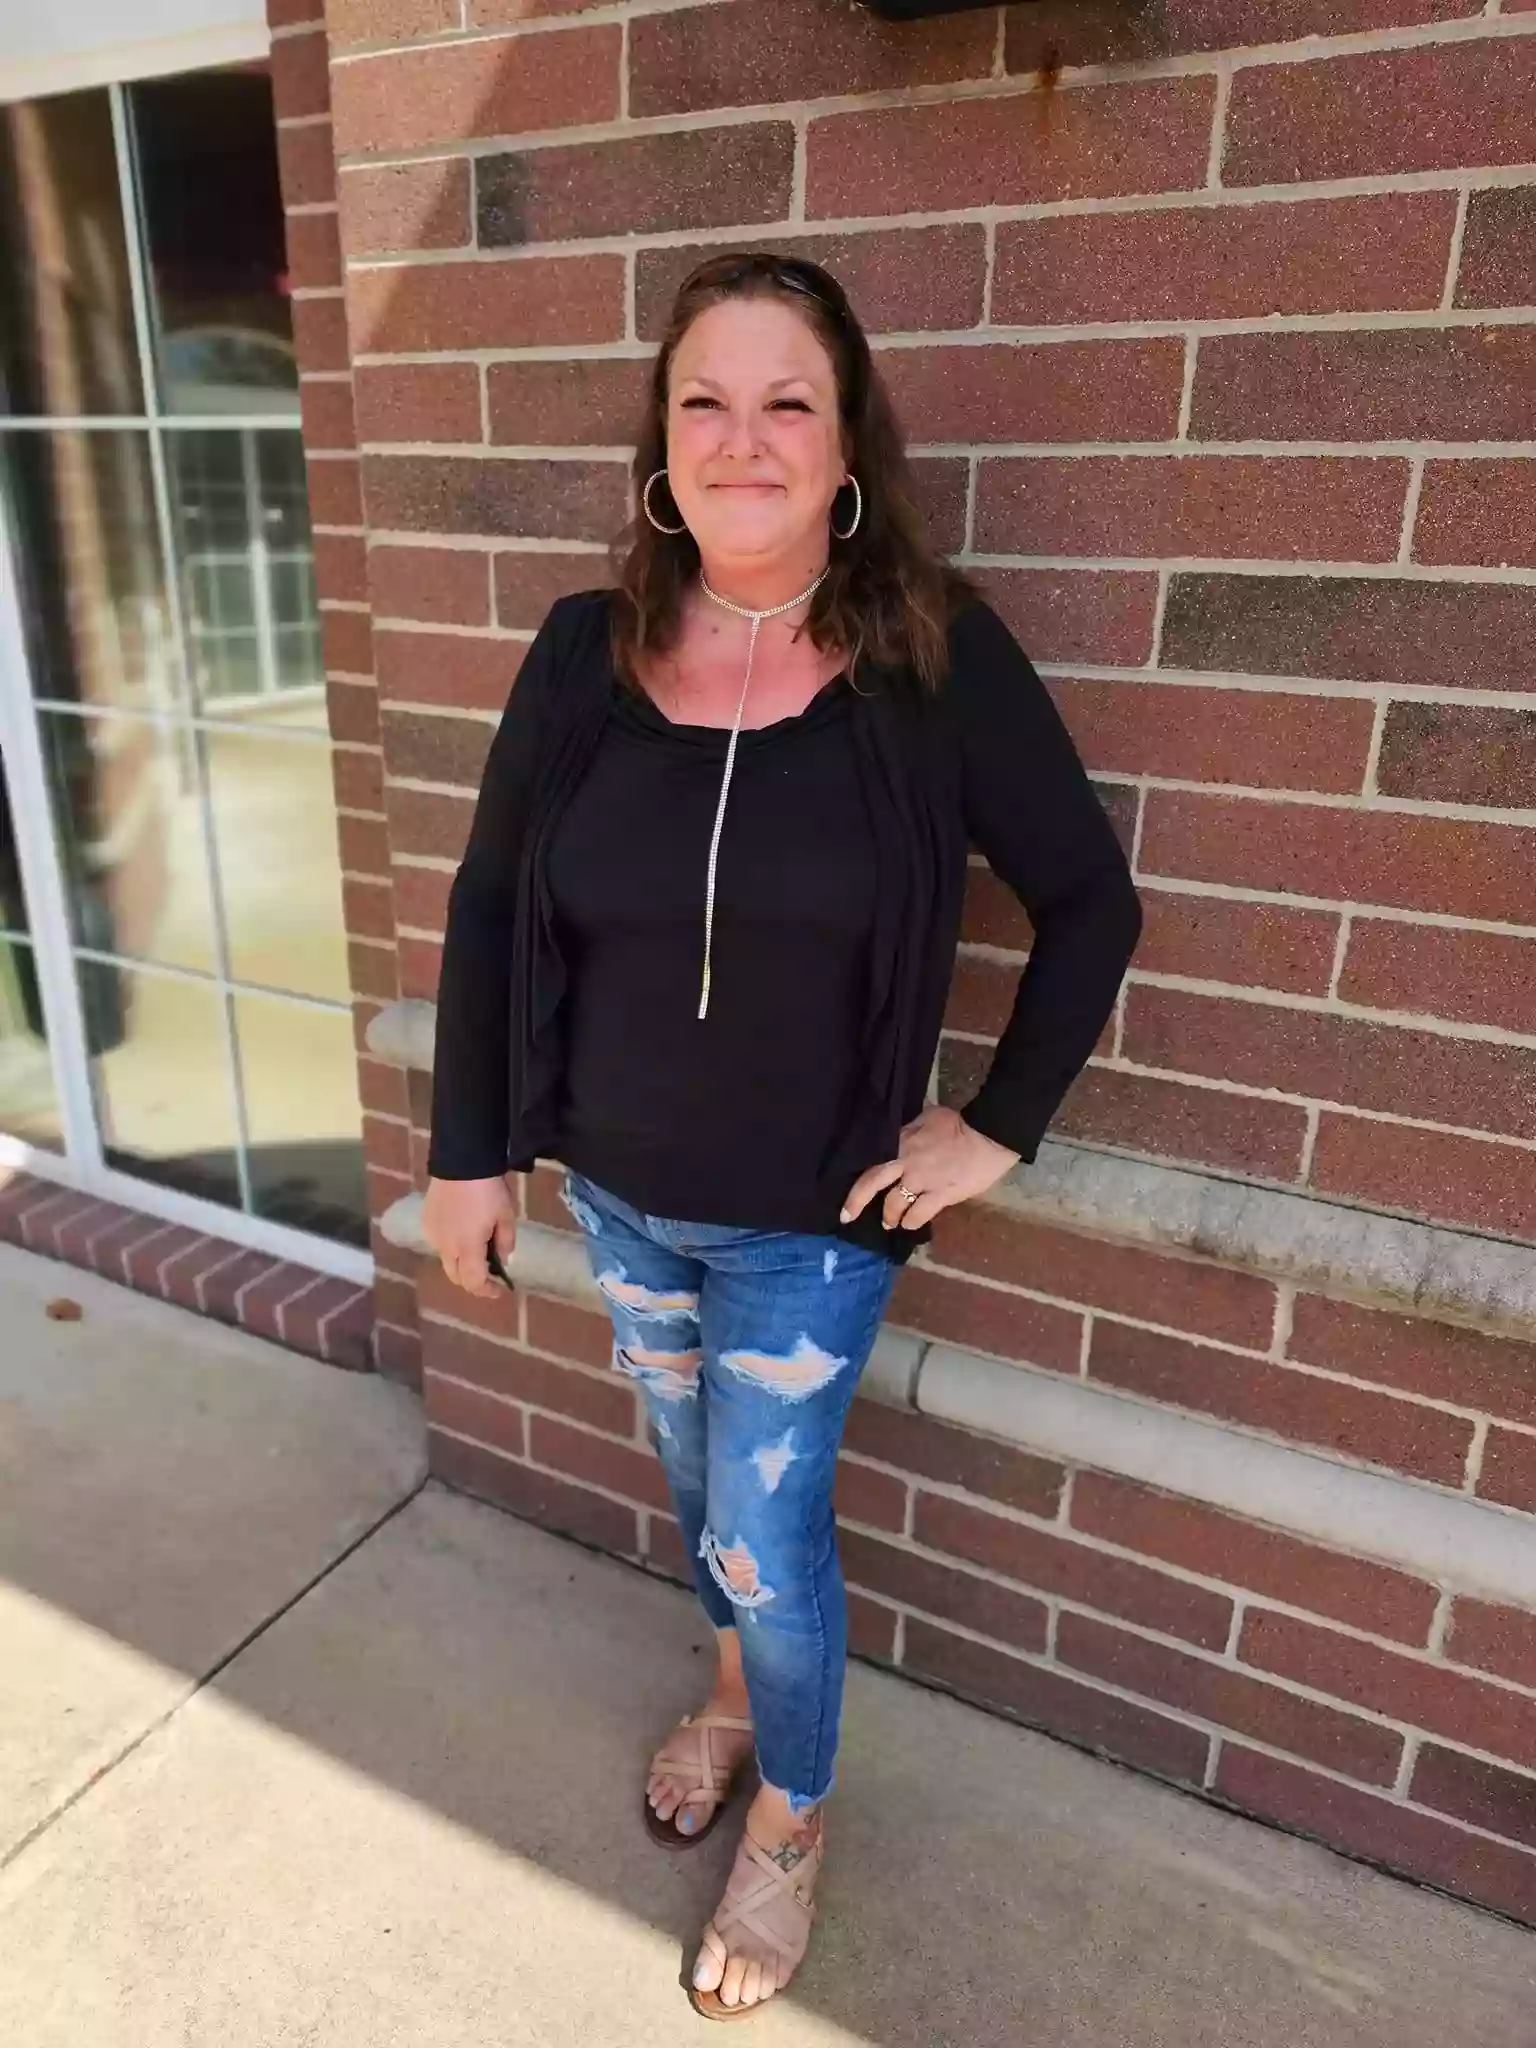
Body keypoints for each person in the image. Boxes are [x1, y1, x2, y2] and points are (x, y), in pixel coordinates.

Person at [421, 251, 1142, 2019]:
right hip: (621, 1192)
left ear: (843, 454)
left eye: (787, 404)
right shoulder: (580, 660)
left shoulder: (933, 658)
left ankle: (795, 1826)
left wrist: (997, 1130)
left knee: (761, 1533)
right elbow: (494, 904)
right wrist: (469, 1152)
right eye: (705, 404)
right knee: (692, 1485)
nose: (744, 440)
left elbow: (1090, 902)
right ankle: (740, 1702)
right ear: (662, 452)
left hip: (814, 1222)